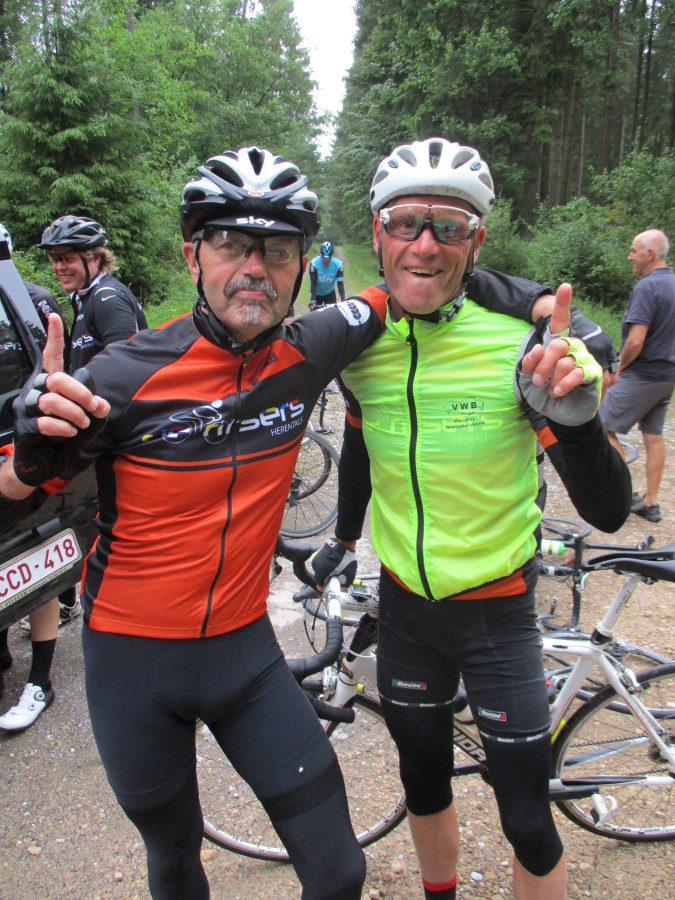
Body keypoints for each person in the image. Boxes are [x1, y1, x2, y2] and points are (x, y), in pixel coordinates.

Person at [0, 144, 591, 898]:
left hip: (243, 654)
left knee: (340, 873)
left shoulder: (314, 347)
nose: (254, 267)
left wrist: (551, 309)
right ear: (191, 256)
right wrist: (28, 457)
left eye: (277, 249)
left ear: (303, 265)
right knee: (174, 859)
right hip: (131, 662)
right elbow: (13, 494)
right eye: (229, 243)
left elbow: (426, 273)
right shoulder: (120, 375)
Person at [311, 138, 631, 900]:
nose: (424, 246)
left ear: (475, 240)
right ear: (377, 233)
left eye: (448, 227)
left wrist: (577, 424)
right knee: (421, 784)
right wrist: (343, 537)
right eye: (405, 223)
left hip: (496, 615)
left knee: (525, 817)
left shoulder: (523, 343)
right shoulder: (359, 344)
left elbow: (609, 510)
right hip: (404, 611)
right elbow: (357, 447)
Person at [0, 223, 77, 732]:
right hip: (23, 436)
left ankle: (40, 679)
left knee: (34, 557)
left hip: (29, 441)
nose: (59, 266)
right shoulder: (26, 296)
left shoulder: (31, 300)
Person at [599, 228, 675, 523]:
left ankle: (626, 494)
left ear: (649, 254)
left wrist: (619, 367)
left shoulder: (647, 287)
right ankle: (651, 503)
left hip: (643, 373)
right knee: (653, 436)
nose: (630, 256)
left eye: (634, 250)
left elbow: (636, 340)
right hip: (667, 375)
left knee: (602, 426)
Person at [37, 214, 147, 371]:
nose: (59, 267)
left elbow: (127, 367)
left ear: (95, 258)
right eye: (55, 260)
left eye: (68, 259)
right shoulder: (86, 298)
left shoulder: (108, 299)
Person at [309, 240, 346, 308]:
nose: (326, 261)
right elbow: (313, 284)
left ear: (331, 256)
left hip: (330, 293)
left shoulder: (338, 265)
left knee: (332, 313)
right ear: (320, 255)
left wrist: (343, 300)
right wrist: (313, 301)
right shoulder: (314, 263)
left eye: (328, 259)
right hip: (317, 294)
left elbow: (340, 284)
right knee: (315, 313)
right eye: (323, 258)